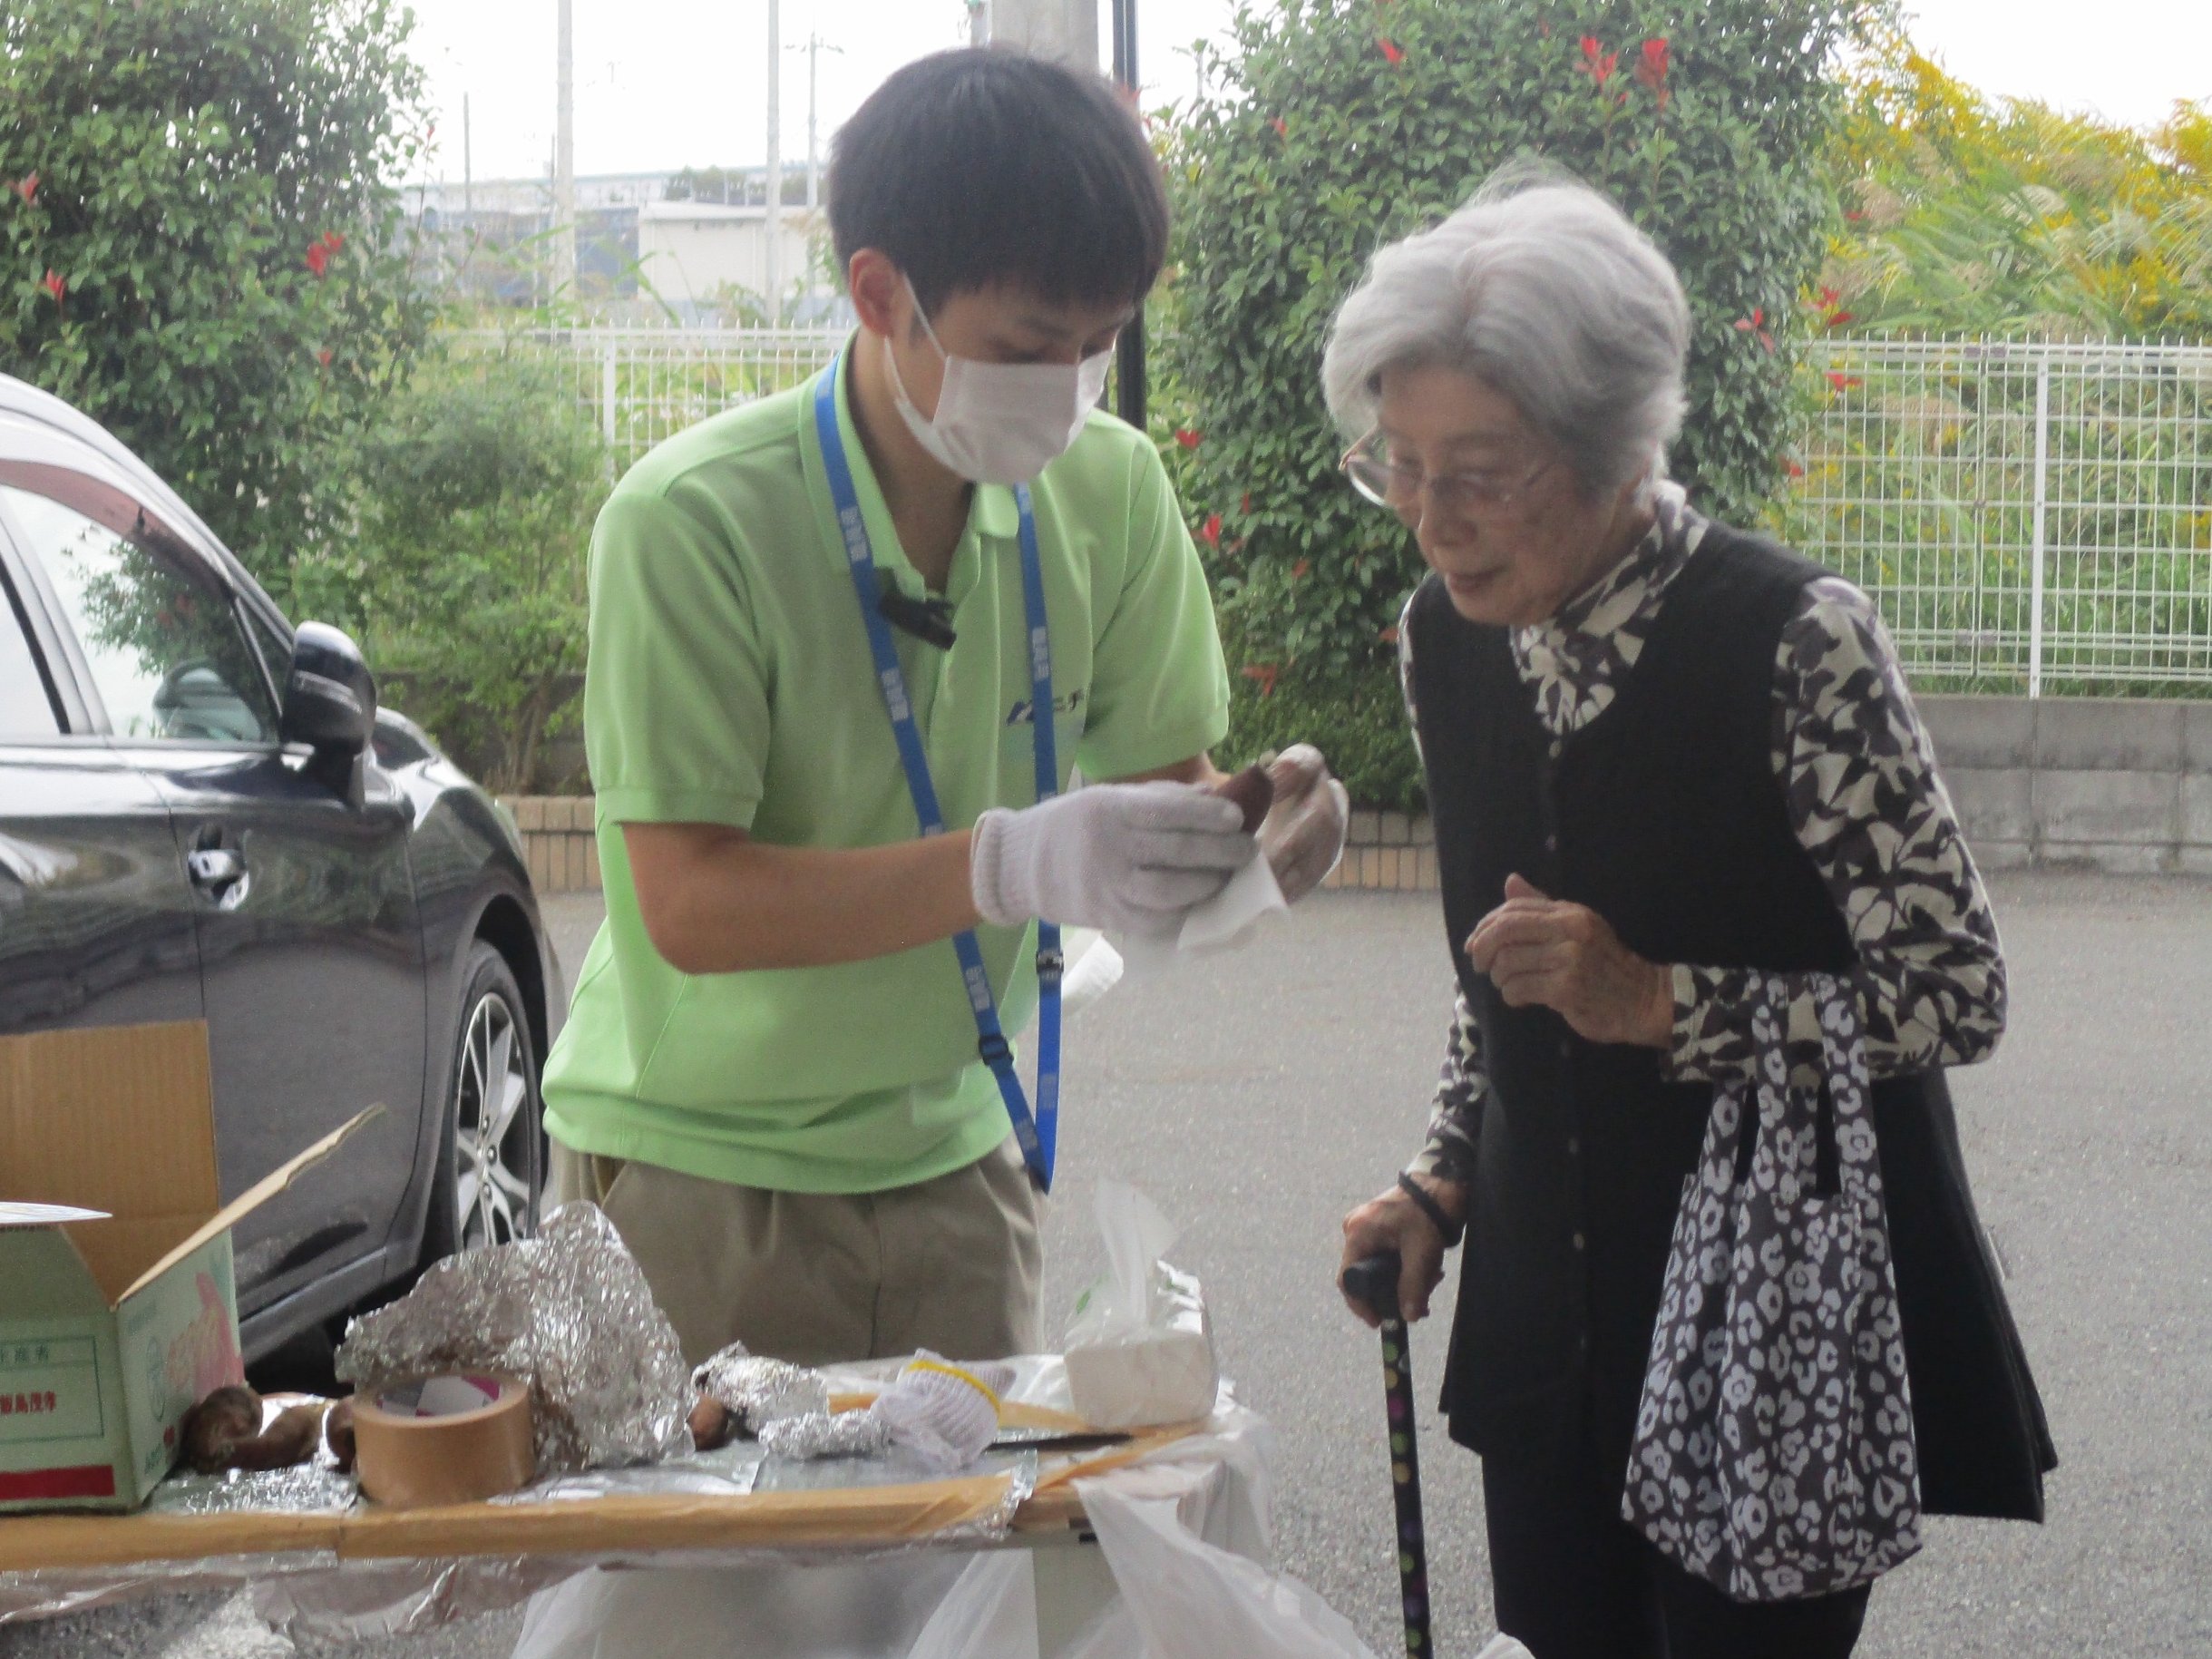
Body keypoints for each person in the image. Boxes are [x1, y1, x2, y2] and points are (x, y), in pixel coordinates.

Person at [1330, 167, 2053, 1659]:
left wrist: (1664, 999)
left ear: (1605, 447)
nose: (1431, 521)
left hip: (1765, 1314)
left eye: (1479, 471)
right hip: (1547, 1299)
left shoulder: (1793, 638)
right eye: (1396, 463)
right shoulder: (1442, 643)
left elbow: (1958, 989)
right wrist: (1440, 1180)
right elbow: (1503, 978)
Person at [538, 48, 1348, 1371]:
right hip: (695, 1177)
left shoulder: (1113, 490)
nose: (1073, 387)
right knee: (693, 1578)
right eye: (1029, 347)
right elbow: (687, 905)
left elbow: (1166, 789)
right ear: (879, 291)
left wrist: (1251, 836)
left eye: (1101, 345)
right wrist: (1008, 860)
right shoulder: (692, 521)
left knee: (969, 1579)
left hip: (964, 1164)